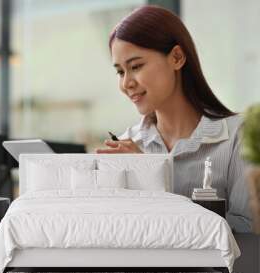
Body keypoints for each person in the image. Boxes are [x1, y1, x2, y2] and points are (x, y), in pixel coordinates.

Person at [96, 5, 252, 233]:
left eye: (136, 66)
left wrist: (150, 179)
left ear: (177, 57)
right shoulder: (127, 142)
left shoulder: (239, 136)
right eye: (120, 71)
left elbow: (248, 230)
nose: (126, 83)